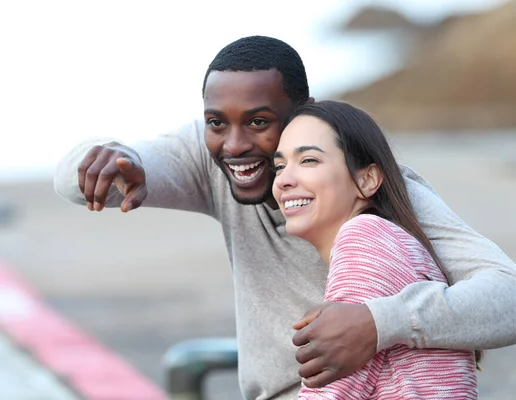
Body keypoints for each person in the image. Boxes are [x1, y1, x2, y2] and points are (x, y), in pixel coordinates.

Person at [54, 36, 516, 399]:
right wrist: (111, 158)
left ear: (302, 113)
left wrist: (380, 322)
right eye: (217, 123)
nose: (234, 145)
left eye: (259, 122)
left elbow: (508, 297)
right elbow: (77, 184)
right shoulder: (215, 160)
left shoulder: (377, 196)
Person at [272, 100, 479, 399]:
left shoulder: (365, 239)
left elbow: (332, 391)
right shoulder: (388, 241)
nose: (284, 181)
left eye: (308, 161)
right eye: (280, 166)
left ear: (367, 180)